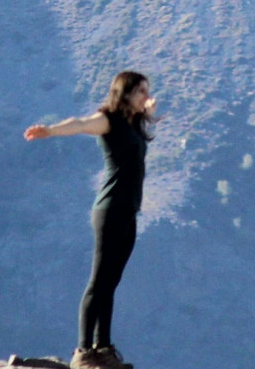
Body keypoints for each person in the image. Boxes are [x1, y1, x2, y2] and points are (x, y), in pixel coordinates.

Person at [24, 71, 157, 369]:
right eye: (140, 92)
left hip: (128, 211)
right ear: (124, 94)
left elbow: (143, 121)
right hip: (110, 210)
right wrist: (50, 130)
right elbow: (80, 124)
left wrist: (147, 111)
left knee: (111, 282)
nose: (146, 97)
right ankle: (83, 351)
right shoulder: (108, 119)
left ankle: (104, 348)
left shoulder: (134, 123)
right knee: (99, 280)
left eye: (148, 91)